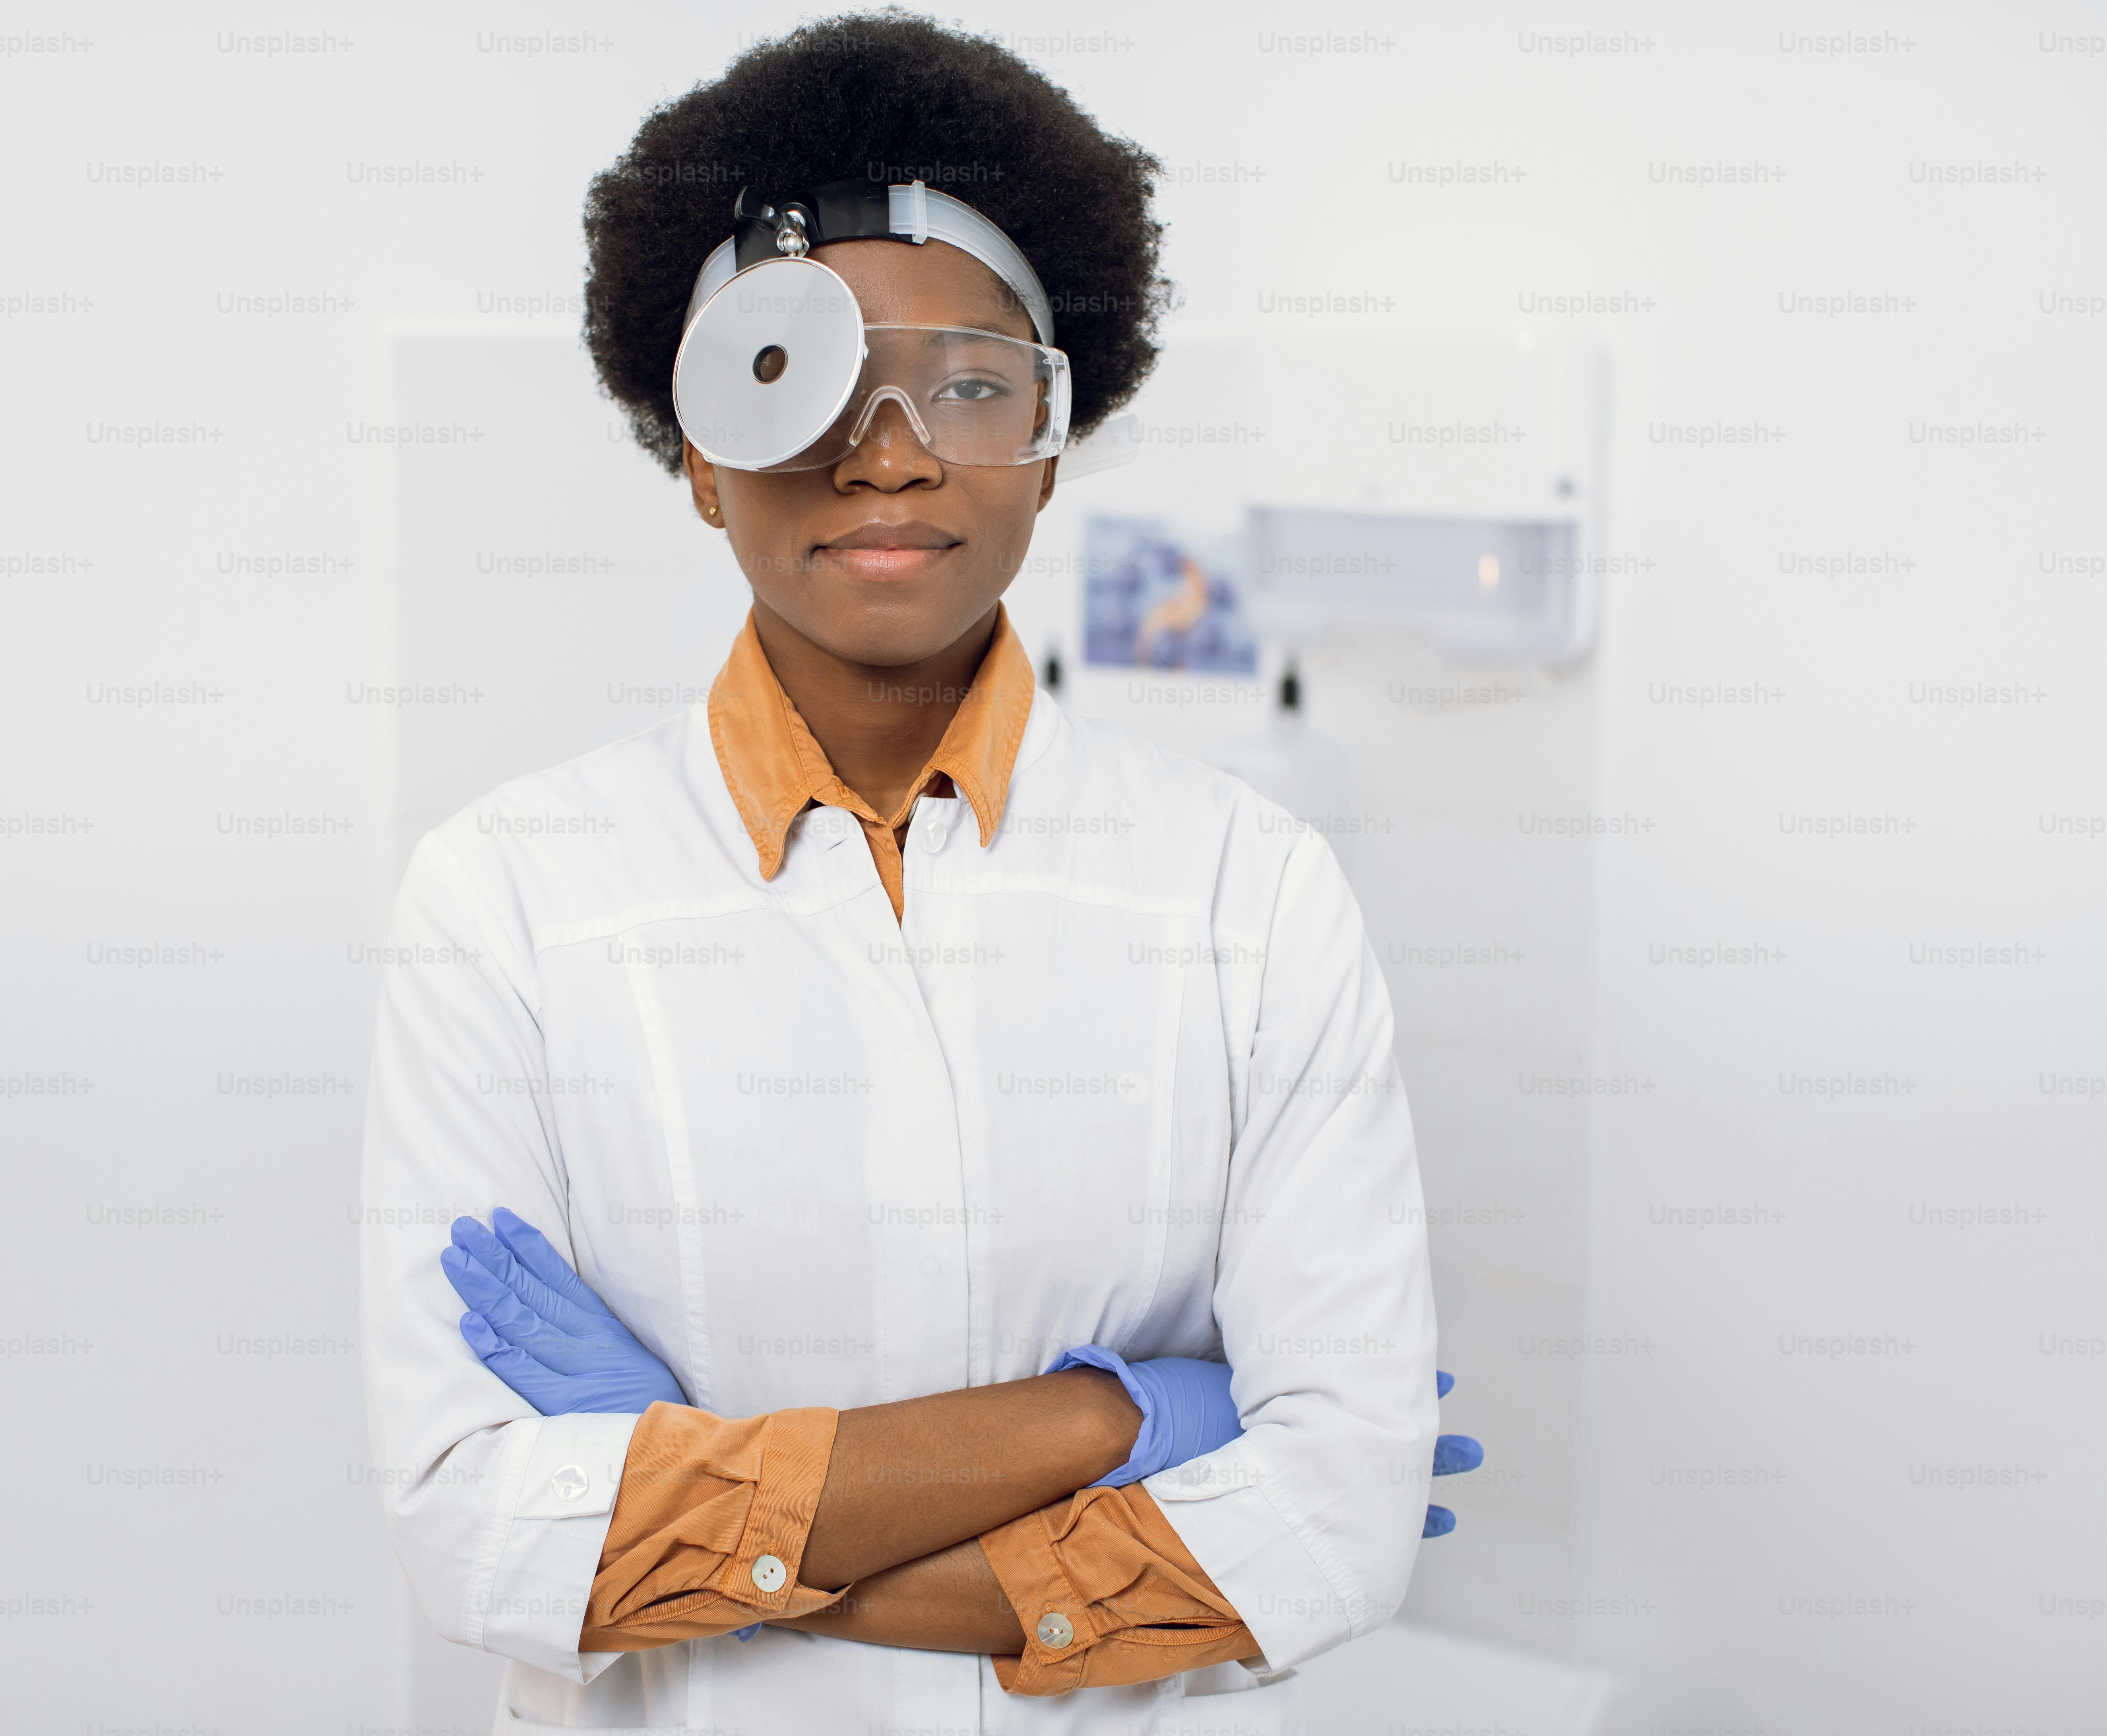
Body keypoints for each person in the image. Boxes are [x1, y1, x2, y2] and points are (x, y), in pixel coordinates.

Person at [358, 16, 1465, 1732]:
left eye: (967, 382)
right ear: (693, 451)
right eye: (788, 377)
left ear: (1050, 431)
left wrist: (695, 1515)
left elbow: (1335, 1524)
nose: (886, 452)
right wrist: (1110, 1421)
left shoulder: (1252, 891)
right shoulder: (504, 895)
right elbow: (481, 1539)